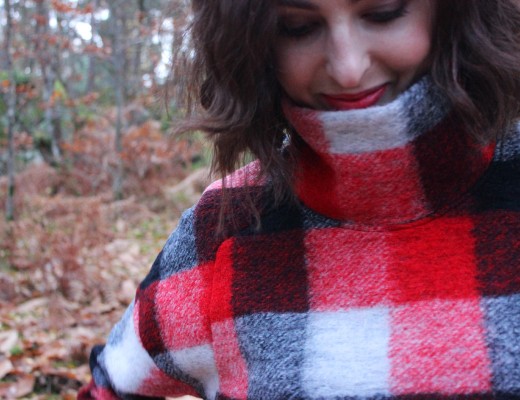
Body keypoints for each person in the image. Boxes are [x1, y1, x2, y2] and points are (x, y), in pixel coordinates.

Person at [79, 0, 520, 398]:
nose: (348, 68)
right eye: (298, 27)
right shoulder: (226, 226)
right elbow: (109, 387)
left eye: (382, 14)